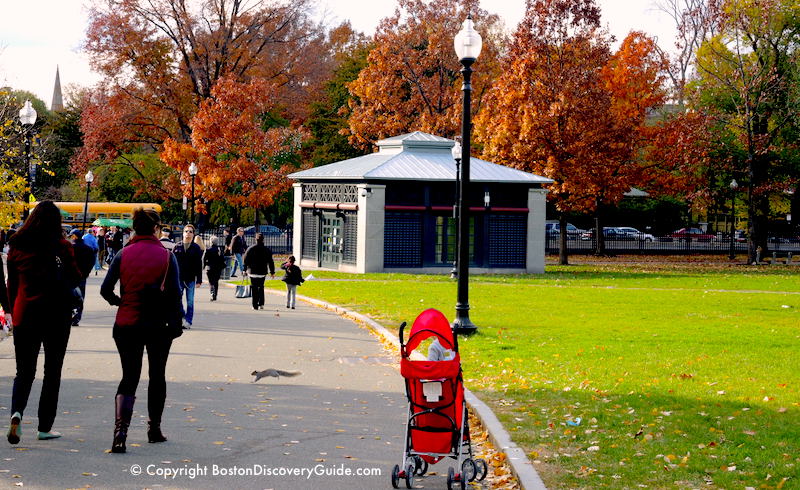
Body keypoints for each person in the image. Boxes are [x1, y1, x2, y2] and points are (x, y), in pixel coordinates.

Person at [100, 208, 182, 453]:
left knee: (129, 376)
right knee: (157, 375)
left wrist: (120, 302)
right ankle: (154, 428)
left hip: (127, 322)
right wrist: (176, 324)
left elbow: (105, 290)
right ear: (156, 228)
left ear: (134, 228)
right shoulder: (167, 256)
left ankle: (120, 433)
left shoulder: (123, 254)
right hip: (158, 324)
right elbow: (175, 295)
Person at [5, 201, 81, 444]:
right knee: (52, 371)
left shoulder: (17, 246)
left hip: (25, 313)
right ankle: (44, 426)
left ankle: (16, 413)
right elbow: (75, 277)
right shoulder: (61, 247)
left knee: (24, 371)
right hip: (56, 315)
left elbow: (12, 285)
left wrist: (9, 310)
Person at [172, 225, 203, 328]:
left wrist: (199, 280)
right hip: (178, 278)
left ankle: (188, 321)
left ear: (193, 234)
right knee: (177, 299)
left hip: (190, 279)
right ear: (183, 233)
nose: (188, 233)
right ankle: (181, 317)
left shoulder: (196, 248)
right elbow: (172, 263)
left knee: (190, 301)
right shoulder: (177, 246)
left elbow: (199, 265)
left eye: (190, 231)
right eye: (186, 231)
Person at [68, 229, 96, 326]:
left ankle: (70, 315)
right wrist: (86, 273)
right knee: (80, 298)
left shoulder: (71, 248)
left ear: (74, 236)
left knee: (70, 297)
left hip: (70, 277)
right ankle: (77, 317)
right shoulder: (88, 249)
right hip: (82, 276)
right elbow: (92, 262)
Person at [242, 233, 274, 310]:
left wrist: (244, 269)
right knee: (261, 287)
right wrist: (272, 272)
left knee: (254, 288)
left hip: (252, 272)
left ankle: (255, 305)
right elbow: (270, 262)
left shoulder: (250, 249)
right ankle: (261, 303)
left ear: (255, 239)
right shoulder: (267, 249)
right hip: (262, 272)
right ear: (263, 239)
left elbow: (245, 260)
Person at [203, 237, 226, 301]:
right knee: (216, 282)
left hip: (210, 268)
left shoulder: (208, 249)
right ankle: (215, 295)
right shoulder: (219, 250)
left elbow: (204, 259)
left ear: (211, 242)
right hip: (218, 268)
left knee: (211, 282)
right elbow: (223, 259)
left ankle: (212, 293)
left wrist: (204, 266)